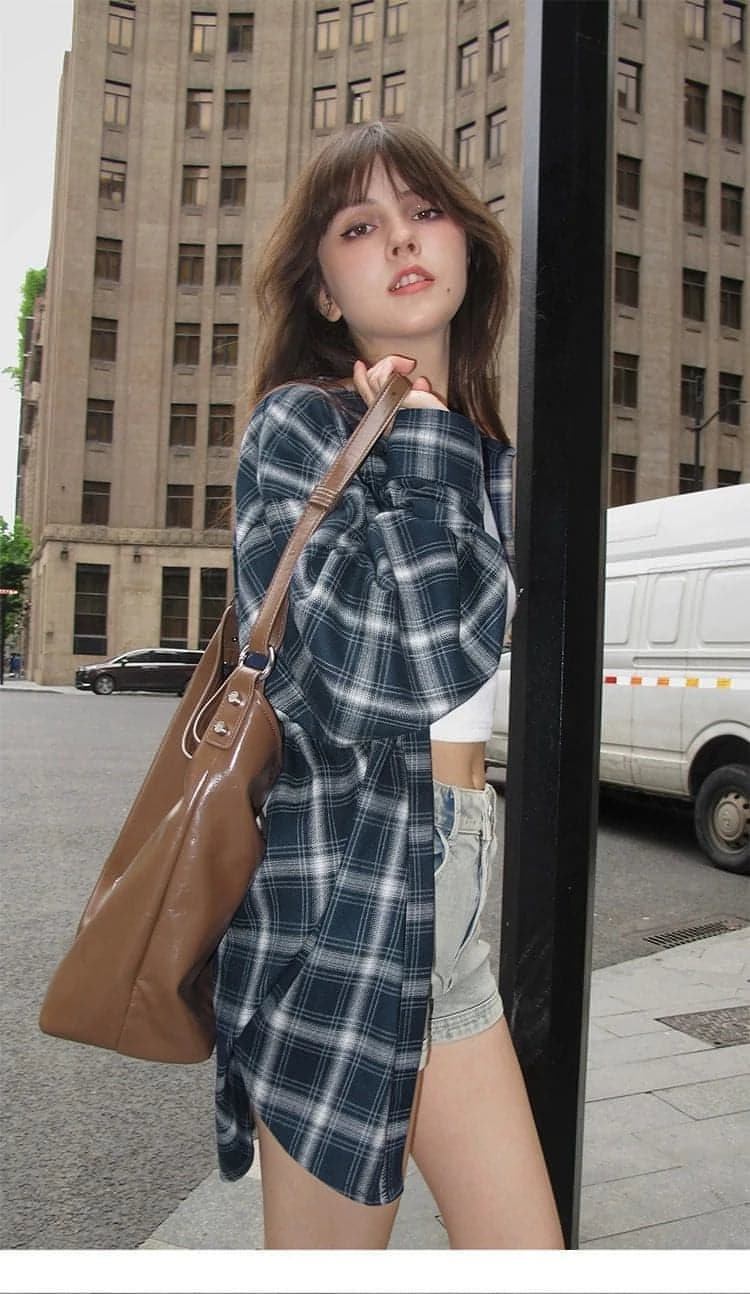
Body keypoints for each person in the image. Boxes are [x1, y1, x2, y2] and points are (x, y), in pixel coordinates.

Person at [214, 120, 563, 1251]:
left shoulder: (484, 453)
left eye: (423, 211)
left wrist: (442, 446)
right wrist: (420, 450)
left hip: (452, 904)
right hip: (346, 910)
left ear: (467, 246)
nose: (403, 239)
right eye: (360, 228)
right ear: (324, 290)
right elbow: (386, 680)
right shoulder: (299, 433)